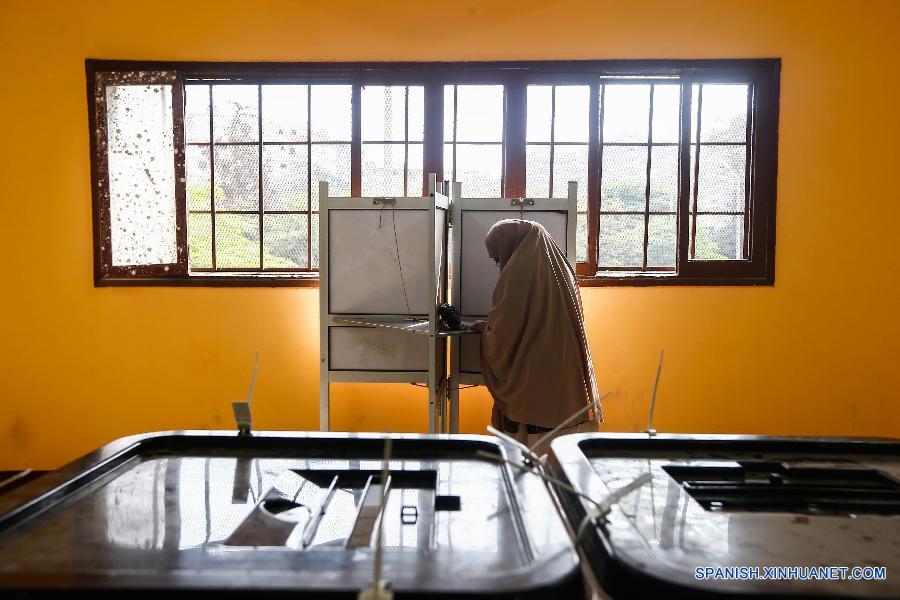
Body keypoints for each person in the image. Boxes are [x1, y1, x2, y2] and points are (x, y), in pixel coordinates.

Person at [474, 219, 601, 454]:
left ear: (510, 246)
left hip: (532, 381)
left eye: (498, 255)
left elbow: (505, 333)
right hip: (564, 379)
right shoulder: (560, 266)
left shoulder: (517, 273)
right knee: (559, 462)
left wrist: (483, 331)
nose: (499, 262)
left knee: (527, 463)